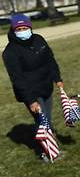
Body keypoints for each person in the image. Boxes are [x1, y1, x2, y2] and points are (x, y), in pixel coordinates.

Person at [2, 14, 64, 157]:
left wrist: (57, 78)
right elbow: (17, 79)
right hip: (31, 92)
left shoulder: (39, 40)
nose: (23, 31)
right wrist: (30, 100)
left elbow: (50, 60)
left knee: (47, 118)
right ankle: (45, 153)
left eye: (25, 27)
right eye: (19, 28)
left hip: (46, 86)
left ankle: (52, 147)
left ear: (30, 27)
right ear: (14, 30)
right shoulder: (10, 52)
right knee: (42, 121)